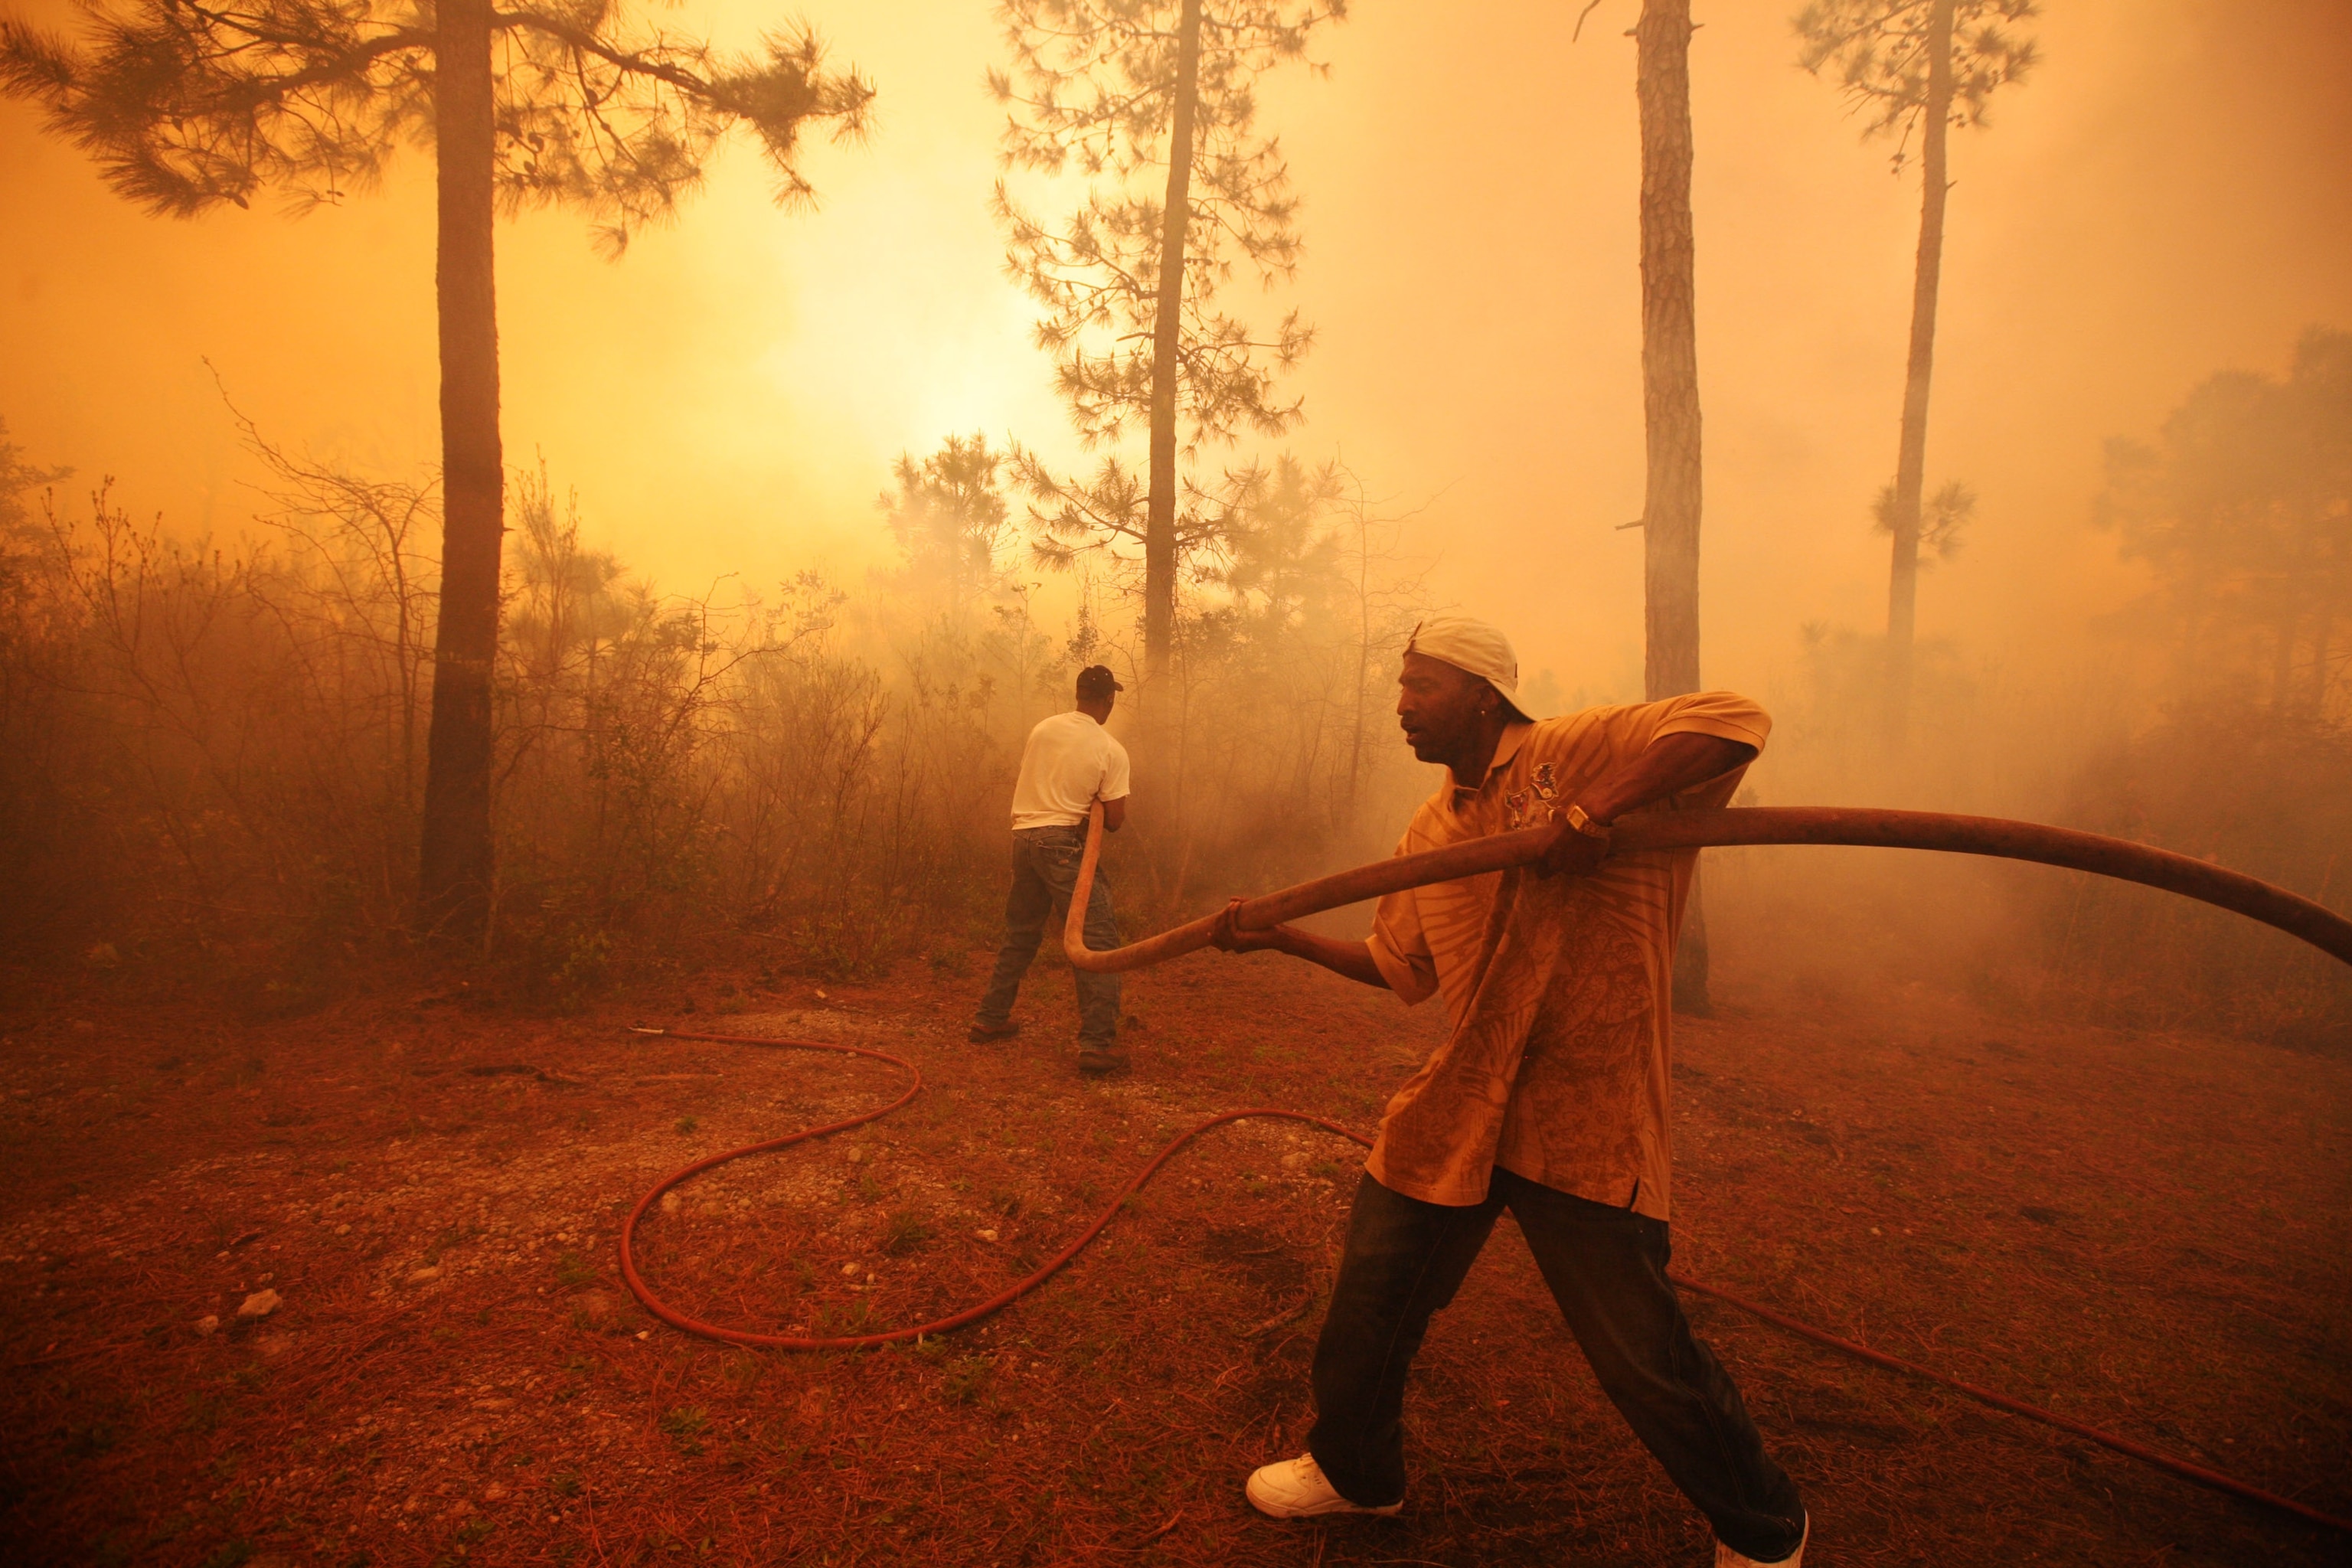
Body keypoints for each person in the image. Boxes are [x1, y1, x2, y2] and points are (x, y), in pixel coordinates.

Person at [1212, 615, 1807, 1567]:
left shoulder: (1568, 751)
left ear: (1484, 693)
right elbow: (1398, 965)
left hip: (1588, 1103)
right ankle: (1357, 1472)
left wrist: (1592, 809)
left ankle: (1765, 1529)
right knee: (1373, 1290)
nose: (1401, 704)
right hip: (1468, 1097)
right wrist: (1279, 938)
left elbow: (1738, 719)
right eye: (1400, 686)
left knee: (1638, 1352)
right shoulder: (1433, 827)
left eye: (1421, 685)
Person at [969, 664, 1133, 1077]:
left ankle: (990, 1018)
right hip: (1062, 844)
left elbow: (1045, 777)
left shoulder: (1042, 729)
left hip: (1023, 839)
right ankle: (1096, 1044)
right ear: (1109, 701)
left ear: (1078, 694)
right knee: (1096, 940)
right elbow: (1114, 819)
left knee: (1020, 934)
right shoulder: (1110, 749)